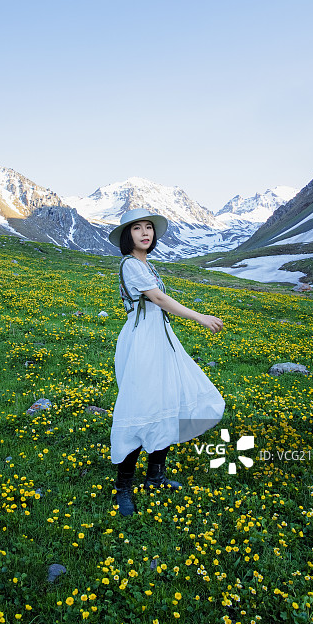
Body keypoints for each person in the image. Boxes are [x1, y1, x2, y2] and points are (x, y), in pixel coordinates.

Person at [108, 208, 226, 517]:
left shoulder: (146, 264)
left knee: (168, 400)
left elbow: (157, 303)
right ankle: (124, 487)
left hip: (160, 340)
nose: (145, 233)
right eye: (137, 229)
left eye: (149, 228)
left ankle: (155, 477)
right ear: (127, 236)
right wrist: (200, 317)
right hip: (143, 342)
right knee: (140, 407)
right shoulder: (131, 265)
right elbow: (158, 300)